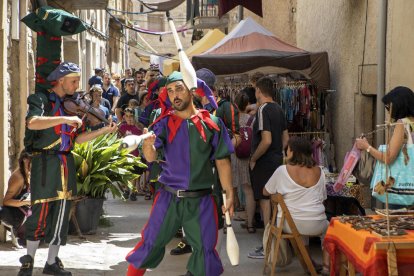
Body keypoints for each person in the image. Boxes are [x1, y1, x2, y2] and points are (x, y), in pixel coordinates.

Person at [125, 71, 234, 276]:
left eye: (179, 89)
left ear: (192, 91)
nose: (175, 95)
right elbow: (150, 157)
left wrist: (229, 192)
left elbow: (222, 160)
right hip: (168, 197)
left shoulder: (213, 123)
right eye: (171, 90)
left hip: (201, 199)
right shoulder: (163, 122)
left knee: (205, 253)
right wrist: (148, 146)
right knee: (149, 244)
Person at [20, 62, 117, 276]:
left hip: (65, 163)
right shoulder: (41, 99)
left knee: (61, 215)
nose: (77, 86)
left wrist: (103, 131)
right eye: (73, 81)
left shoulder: (72, 105)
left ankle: (52, 262)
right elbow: (32, 122)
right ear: (61, 80)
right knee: (40, 212)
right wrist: (66, 118)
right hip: (45, 163)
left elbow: (78, 140)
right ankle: (28, 261)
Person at [263, 136, 330, 273]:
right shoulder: (319, 171)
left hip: (290, 223)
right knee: (329, 230)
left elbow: (265, 191)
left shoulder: (282, 170)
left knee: (298, 228)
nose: (286, 152)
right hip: (317, 223)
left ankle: (308, 265)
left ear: (292, 151)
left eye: (287, 150)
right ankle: (326, 266)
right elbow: (323, 198)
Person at [248, 76, 289, 259]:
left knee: (265, 204)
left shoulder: (263, 109)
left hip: (264, 162)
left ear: (259, 91)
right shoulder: (279, 109)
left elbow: (266, 140)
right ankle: (274, 244)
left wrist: (254, 158)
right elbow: (285, 139)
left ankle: (268, 246)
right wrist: (277, 154)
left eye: (256, 90)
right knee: (275, 203)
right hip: (277, 160)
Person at [355, 86, 414, 208]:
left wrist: (367, 147)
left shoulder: (402, 123)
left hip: (402, 188)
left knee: (397, 223)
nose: (388, 111)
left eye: (388, 107)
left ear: (398, 106)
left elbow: (388, 158)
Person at [232, 91, 256, 233]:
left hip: (233, 156)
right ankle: (250, 223)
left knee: (230, 189)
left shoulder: (231, 119)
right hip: (247, 157)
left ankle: (227, 223)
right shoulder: (252, 120)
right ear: (247, 104)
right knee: (248, 191)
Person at [0, 150, 32, 248]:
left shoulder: (29, 173)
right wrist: (26, 202)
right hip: (15, 216)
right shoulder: (18, 177)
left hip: (25, 211)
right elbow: (6, 201)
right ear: (25, 160)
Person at [119, 108, 143, 201]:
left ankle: (133, 191)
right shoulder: (122, 127)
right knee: (125, 172)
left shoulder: (138, 127)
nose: (129, 118)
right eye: (127, 116)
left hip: (135, 154)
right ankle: (126, 190)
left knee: (134, 174)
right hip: (125, 154)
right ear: (124, 117)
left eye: (131, 116)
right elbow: (118, 139)